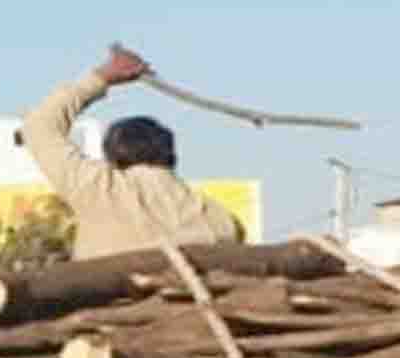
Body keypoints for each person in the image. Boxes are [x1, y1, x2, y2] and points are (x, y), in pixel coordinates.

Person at [23, 45, 244, 261]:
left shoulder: (98, 187)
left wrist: (102, 77)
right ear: (172, 158)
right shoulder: (222, 220)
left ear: (111, 159)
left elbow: (38, 126)